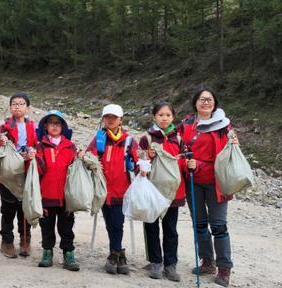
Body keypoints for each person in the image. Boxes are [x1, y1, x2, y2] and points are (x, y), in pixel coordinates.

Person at [178, 87, 239, 287]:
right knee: (200, 224)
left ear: (215, 103)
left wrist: (235, 145)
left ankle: (224, 268)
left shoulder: (224, 126)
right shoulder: (186, 123)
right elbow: (174, 143)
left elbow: (229, 155)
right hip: (193, 180)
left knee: (219, 225)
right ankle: (207, 262)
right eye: (202, 99)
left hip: (217, 182)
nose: (206, 102)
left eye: (209, 99)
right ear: (195, 102)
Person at [84, 104, 138, 275]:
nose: (110, 120)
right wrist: (87, 159)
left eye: (114, 117)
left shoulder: (129, 140)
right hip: (103, 189)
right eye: (107, 117)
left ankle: (115, 253)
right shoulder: (99, 138)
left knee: (117, 223)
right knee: (110, 223)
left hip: (122, 190)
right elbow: (88, 156)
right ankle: (118, 254)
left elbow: (138, 162)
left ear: (121, 120)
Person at [138, 101, 186, 282]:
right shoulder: (148, 138)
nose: (164, 118)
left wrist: (190, 166)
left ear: (173, 117)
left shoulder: (178, 139)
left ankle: (170, 264)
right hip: (152, 190)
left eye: (168, 115)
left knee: (171, 229)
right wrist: (146, 157)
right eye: (160, 115)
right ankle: (155, 261)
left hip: (173, 192)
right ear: (154, 117)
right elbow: (138, 159)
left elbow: (185, 161)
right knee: (151, 227)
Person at [33, 110, 79, 271]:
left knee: (66, 227)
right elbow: (38, 171)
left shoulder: (70, 147)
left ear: (63, 126)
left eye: (57, 123)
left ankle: (68, 253)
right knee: (47, 226)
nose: (54, 126)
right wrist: (33, 159)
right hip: (46, 194)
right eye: (51, 122)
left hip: (66, 196)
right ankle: (47, 252)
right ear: (45, 126)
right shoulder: (40, 146)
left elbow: (75, 170)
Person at [0, 92, 38, 258]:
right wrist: (1, 141)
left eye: (21, 104)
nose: (17, 106)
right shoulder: (5, 126)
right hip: (9, 172)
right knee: (8, 207)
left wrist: (32, 152)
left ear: (27, 108)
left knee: (24, 207)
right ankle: (6, 241)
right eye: (14, 104)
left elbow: (36, 145)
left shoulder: (33, 127)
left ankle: (25, 240)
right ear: (10, 107)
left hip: (26, 170)